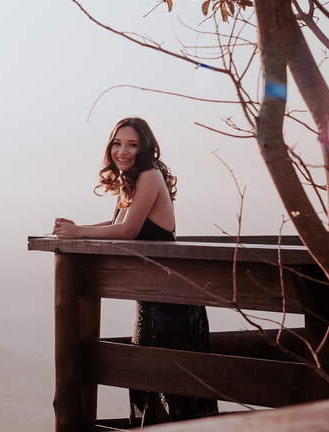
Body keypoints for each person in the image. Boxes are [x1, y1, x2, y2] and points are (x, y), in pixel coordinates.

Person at [51, 117, 218, 426]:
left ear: (145, 148)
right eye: (117, 144)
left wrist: (78, 233)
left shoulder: (150, 175)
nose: (122, 151)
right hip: (150, 299)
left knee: (169, 390)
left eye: (131, 144)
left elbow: (127, 231)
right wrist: (76, 228)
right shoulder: (131, 180)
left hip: (173, 300)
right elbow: (116, 224)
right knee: (145, 384)